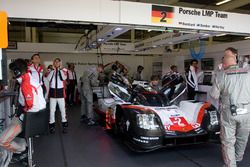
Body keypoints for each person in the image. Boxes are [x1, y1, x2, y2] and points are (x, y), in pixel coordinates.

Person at [210, 47, 250, 167]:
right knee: (243, 136)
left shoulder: (221, 75)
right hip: (247, 110)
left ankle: (230, 164)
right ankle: (238, 157)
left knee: (228, 140)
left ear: (225, 60)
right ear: (236, 57)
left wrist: (216, 75)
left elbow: (214, 95)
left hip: (229, 111)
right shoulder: (248, 72)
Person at [0, 59, 46, 160]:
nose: (11, 73)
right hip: (33, 115)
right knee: (13, 122)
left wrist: (20, 117)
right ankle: (23, 145)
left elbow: (34, 107)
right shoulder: (28, 78)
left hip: (31, 118)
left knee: (2, 141)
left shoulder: (26, 84)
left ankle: (23, 149)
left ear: (17, 72)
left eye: (12, 71)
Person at [47, 58, 68, 133]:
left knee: (63, 110)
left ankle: (64, 125)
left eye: (58, 62)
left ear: (60, 63)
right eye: (55, 62)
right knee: (52, 110)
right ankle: (52, 126)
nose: (56, 63)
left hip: (60, 93)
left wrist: (59, 70)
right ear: (53, 63)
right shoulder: (51, 71)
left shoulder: (64, 70)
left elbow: (63, 78)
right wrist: (53, 71)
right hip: (53, 93)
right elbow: (48, 79)